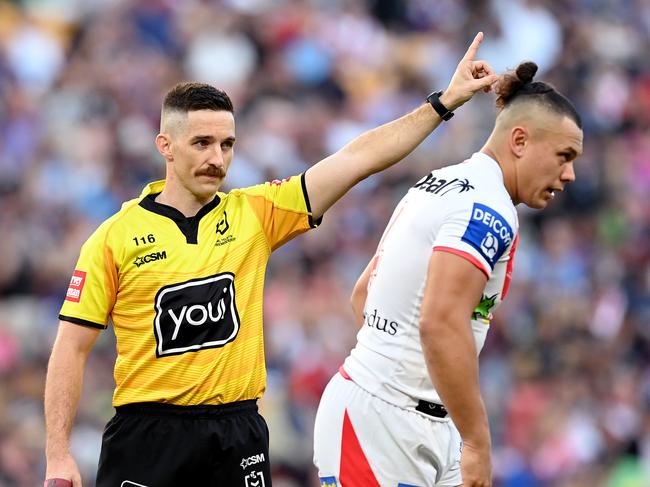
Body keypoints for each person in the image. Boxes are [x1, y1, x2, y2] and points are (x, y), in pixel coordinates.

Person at [43, 32, 497, 487]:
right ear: (166, 145)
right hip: (148, 433)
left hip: (236, 432)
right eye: (201, 143)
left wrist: (444, 102)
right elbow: (71, 346)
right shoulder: (114, 238)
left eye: (227, 144)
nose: (217, 158)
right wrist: (58, 453)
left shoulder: (254, 214)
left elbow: (357, 159)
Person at [313, 61, 583, 487]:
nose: (569, 174)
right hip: (383, 425)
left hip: (416, 419)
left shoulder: (438, 182)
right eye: (563, 156)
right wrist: (477, 442)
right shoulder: (489, 209)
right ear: (519, 140)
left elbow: (364, 295)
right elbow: (440, 322)